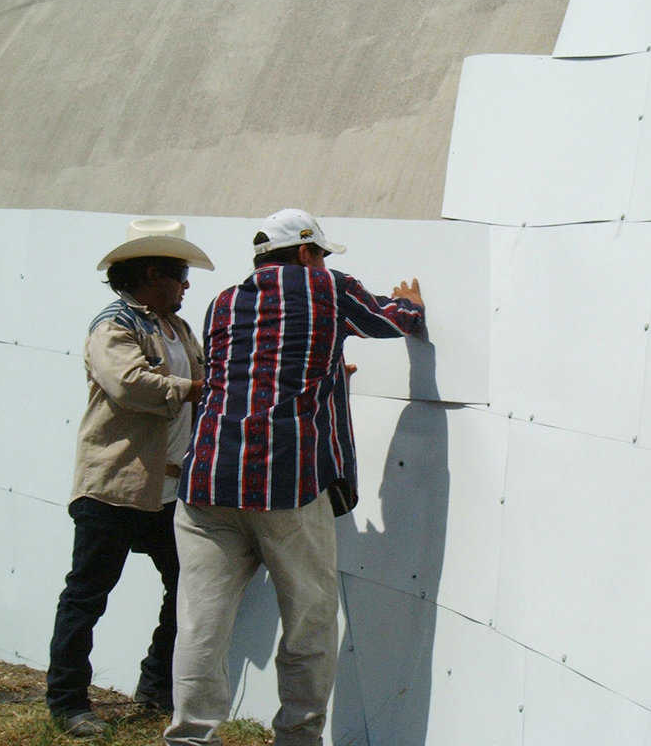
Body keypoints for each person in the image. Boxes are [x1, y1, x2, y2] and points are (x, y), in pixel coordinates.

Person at [165, 208, 425, 746]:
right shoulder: (327, 287)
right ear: (308, 252)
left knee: (201, 625)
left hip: (208, 480)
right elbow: (388, 320)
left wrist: (327, 372)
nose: (324, 262)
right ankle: (299, 738)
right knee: (309, 623)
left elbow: (247, 376)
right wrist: (411, 305)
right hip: (284, 481)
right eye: (322, 253)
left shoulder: (223, 303)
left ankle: (189, 738)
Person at [46, 219, 213, 737]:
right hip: (116, 488)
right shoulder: (114, 325)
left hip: (168, 490)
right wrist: (193, 389)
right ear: (151, 273)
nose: (187, 285)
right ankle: (68, 701)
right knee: (87, 596)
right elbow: (128, 384)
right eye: (180, 274)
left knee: (187, 586)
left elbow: (208, 378)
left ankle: (155, 687)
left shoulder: (176, 328)